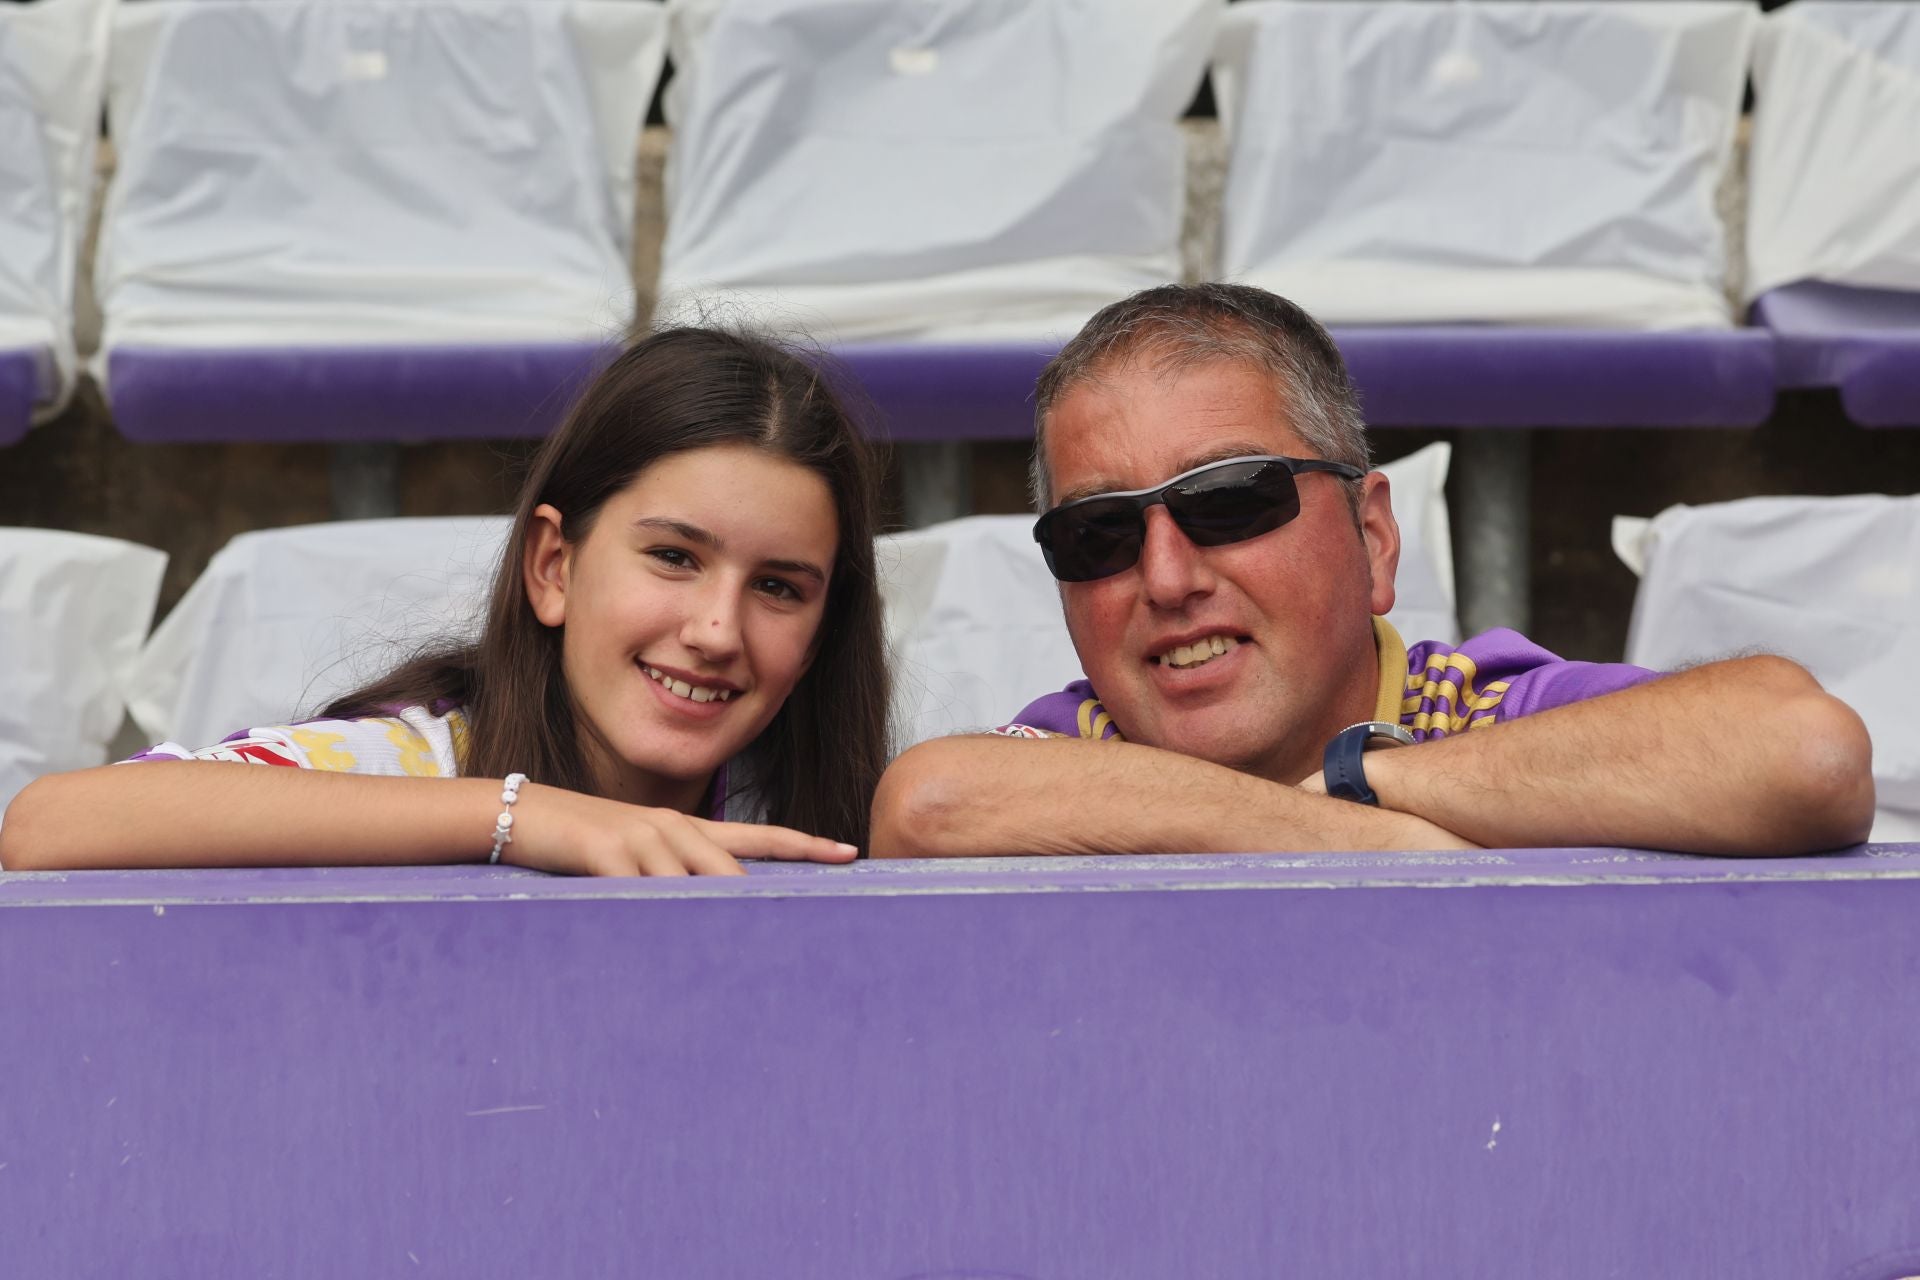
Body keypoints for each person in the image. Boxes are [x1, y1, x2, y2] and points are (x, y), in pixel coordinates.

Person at [871, 283, 1875, 857]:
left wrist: (1363, 783)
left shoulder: (1478, 712)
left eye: (1231, 500)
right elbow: (926, 804)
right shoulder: (1070, 744)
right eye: (1098, 535)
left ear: (1375, 536)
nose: (1167, 576)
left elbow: (1803, 750)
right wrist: (1365, 842)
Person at [1, 328, 890, 876]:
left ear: (819, 635)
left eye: (778, 587)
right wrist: (522, 817)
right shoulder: (419, 758)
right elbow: (51, 824)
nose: (715, 630)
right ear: (553, 567)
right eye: (672, 556)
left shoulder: (803, 809)